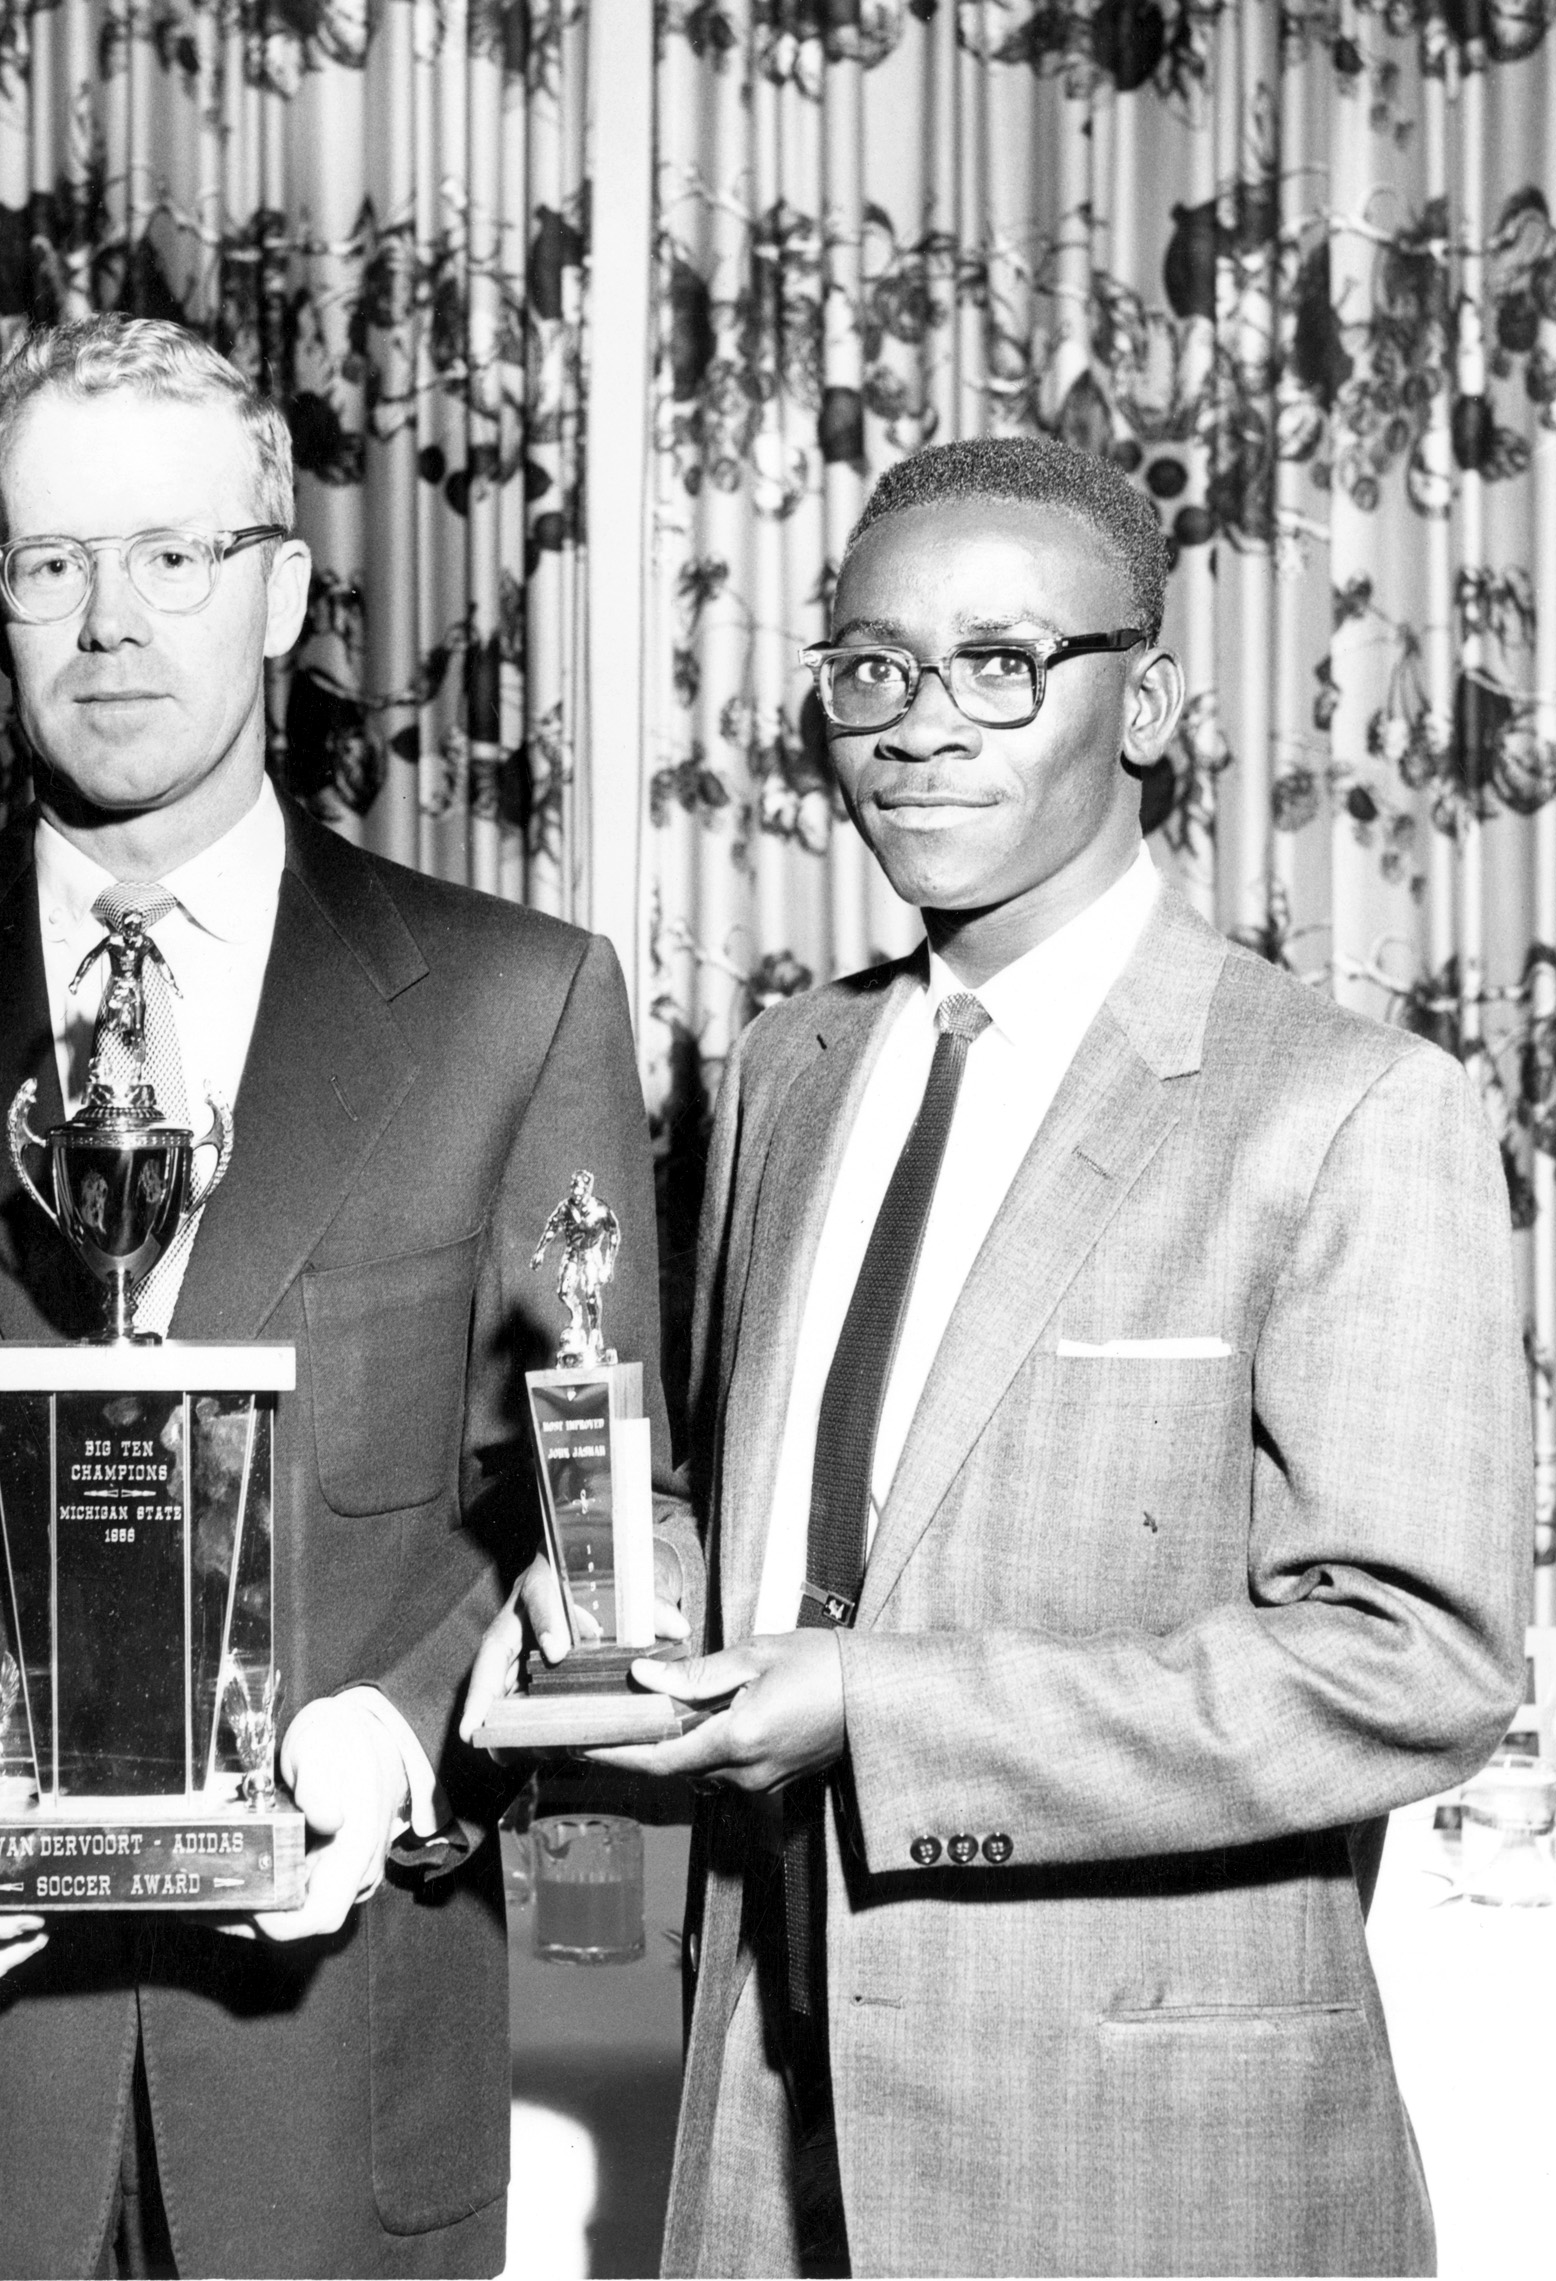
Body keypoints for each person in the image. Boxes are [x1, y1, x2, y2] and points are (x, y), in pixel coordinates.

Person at [0, 313, 689, 2278]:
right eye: (52, 563)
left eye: (176, 556)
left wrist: (396, 1733)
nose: (112, 621)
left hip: (339, 2088)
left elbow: (576, 1476)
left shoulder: (513, 1004)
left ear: (279, 590)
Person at [468, 433, 1531, 2275]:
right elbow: (778, 1520)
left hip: (1149, 2163)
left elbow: (1415, 1661)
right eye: (871, 668)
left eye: (1001, 663)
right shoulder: (791, 1073)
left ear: (1151, 704)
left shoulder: (1351, 1108)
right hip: (764, 2115)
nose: (921, 726)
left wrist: (885, 1710)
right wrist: (599, 1598)